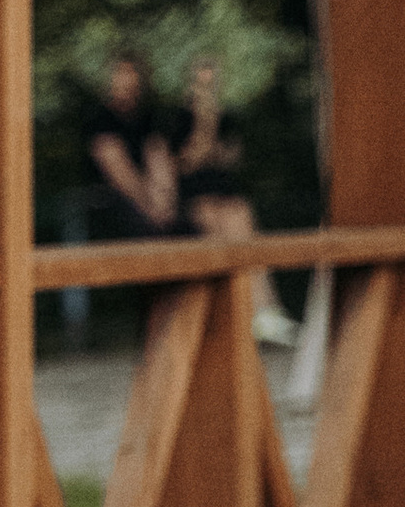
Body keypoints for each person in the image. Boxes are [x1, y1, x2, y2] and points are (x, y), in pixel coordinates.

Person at [174, 58, 299, 345]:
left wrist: (210, 139)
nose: (207, 89)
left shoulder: (228, 117)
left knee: (244, 228)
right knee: (212, 224)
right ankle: (233, 315)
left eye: (211, 83)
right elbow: (190, 160)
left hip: (226, 193)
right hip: (195, 197)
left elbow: (230, 158)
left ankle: (266, 311)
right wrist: (206, 123)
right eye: (201, 83)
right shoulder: (178, 119)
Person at [86, 48, 177, 240]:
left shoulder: (149, 120)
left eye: (131, 73)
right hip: (112, 204)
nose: (126, 80)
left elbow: (159, 161)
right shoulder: (100, 120)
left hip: (151, 202)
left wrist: (165, 202)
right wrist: (150, 207)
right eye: (120, 73)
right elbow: (119, 173)